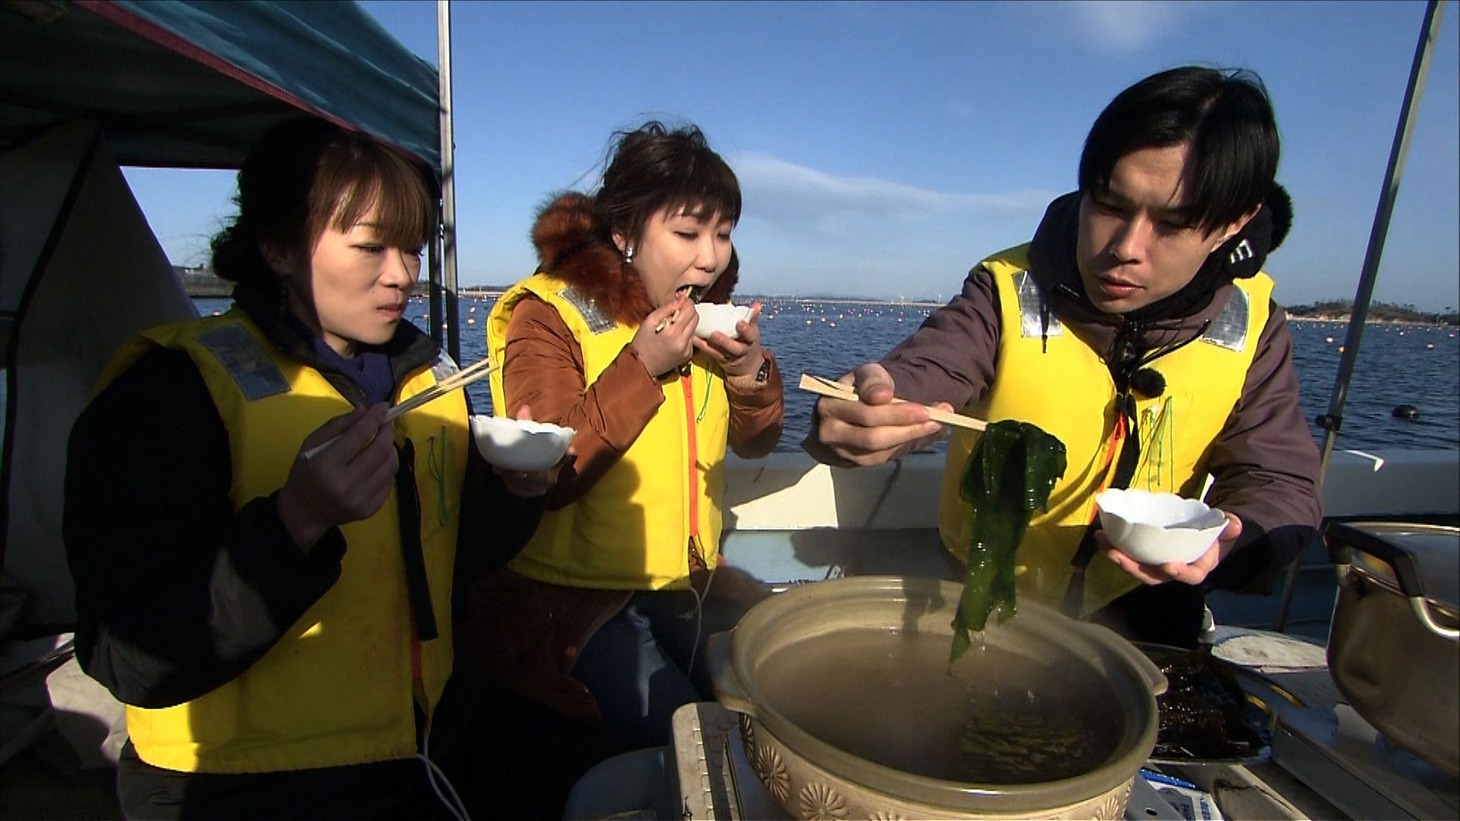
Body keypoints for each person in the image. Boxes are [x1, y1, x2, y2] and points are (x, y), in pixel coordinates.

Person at [63, 116, 562, 819]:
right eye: (371, 247)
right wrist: (294, 522)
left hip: (419, 755)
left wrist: (517, 492)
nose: (402, 275)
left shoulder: (430, 376)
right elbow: (126, 654)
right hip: (241, 786)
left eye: (413, 249)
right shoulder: (170, 392)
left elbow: (450, 560)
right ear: (277, 247)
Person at [804, 66, 1323, 649]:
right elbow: (932, 366)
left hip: (1146, 616)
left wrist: (1233, 541)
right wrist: (876, 406)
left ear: (1234, 225)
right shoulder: (1007, 286)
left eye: (1172, 224)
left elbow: (1280, 481)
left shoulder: (1254, 322)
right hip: (976, 594)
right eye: (1108, 203)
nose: (1125, 248)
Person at [459, 121, 784, 759]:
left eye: (722, 234)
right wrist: (642, 364)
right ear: (624, 232)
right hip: (567, 607)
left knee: (778, 703)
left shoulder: (706, 319)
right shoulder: (551, 314)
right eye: (688, 233)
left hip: (684, 585)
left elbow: (756, 443)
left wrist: (750, 373)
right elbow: (553, 471)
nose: (711, 257)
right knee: (702, 748)